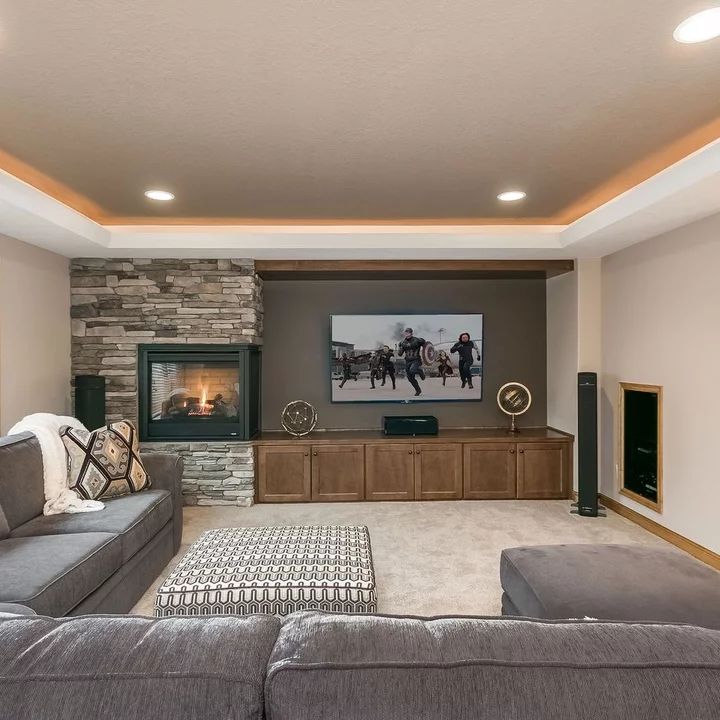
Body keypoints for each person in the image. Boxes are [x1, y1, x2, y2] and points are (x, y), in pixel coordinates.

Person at [398, 327, 426, 396]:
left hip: (416, 360)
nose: (407, 334)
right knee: (410, 378)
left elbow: (425, 344)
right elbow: (400, 354)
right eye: (406, 333)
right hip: (408, 361)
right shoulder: (403, 342)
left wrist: (422, 342)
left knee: (412, 370)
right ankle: (418, 390)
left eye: (408, 332)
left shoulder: (417, 340)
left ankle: (420, 371)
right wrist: (400, 347)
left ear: (411, 333)